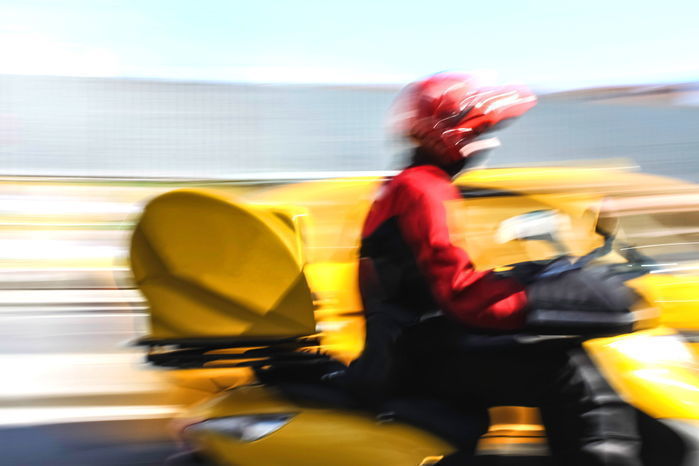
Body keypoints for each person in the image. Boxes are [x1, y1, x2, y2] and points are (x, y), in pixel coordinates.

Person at [343, 72, 642, 465]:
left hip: (409, 345)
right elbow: (461, 296)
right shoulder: (423, 188)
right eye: (482, 131)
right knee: (568, 373)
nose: (492, 142)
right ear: (446, 134)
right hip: (421, 353)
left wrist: (528, 276)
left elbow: (433, 280)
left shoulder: (406, 184)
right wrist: (538, 301)